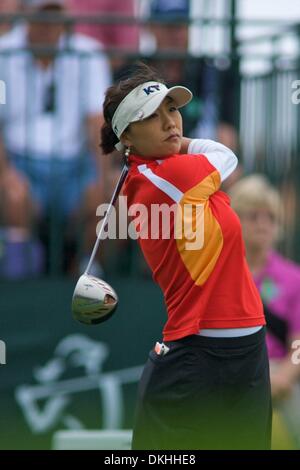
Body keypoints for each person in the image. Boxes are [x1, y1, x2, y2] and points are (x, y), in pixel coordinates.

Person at [100, 63, 272, 450]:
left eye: (172, 111)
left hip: (245, 349)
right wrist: (183, 143)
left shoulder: (165, 171)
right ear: (126, 134)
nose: (169, 123)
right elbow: (226, 155)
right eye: (152, 117)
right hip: (197, 359)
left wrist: (173, 142)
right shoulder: (163, 179)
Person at [0, 0, 112, 275]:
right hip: (19, 161)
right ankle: (21, 277)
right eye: (41, 17)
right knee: (12, 195)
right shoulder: (3, 53)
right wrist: (4, 173)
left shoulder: (89, 53)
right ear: (25, 15)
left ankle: (84, 276)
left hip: (75, 165)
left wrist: (103, 178)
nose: (49, 27)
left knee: (111, 199)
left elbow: (95, 122)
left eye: (54, 17)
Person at [230, 175, 300, 449]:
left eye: (270, 217)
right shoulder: (219, 275)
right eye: (253, 216)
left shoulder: (293, 277)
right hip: (232, 374)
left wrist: (286, 374)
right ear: (235, 220)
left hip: (282, 375)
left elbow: (298, 344)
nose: (263, 224)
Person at [139, 0, 239, 150]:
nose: (177, 34)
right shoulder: (134, 73)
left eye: (182, 25)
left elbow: (227, 133)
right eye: (169, 27)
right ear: (151, 28)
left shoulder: (212, 73)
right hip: (152, 164)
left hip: (200, 163)